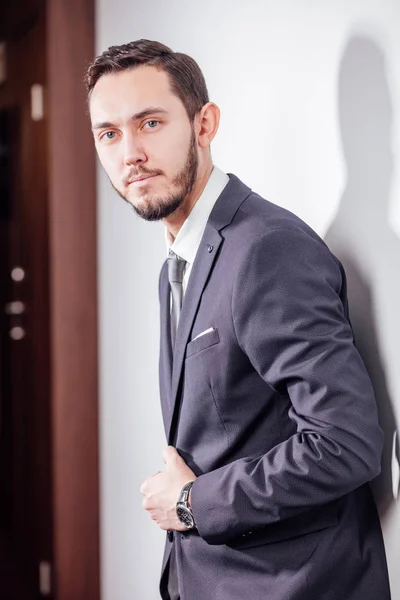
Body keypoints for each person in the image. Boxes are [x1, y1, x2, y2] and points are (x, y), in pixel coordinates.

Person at [86, 39, 391, 600]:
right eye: (108, 133)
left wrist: (189, 503)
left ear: (205, 124)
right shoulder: (177, 262)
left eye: (150, 122)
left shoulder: (267, 250)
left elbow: (346, 443)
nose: (129, 151)